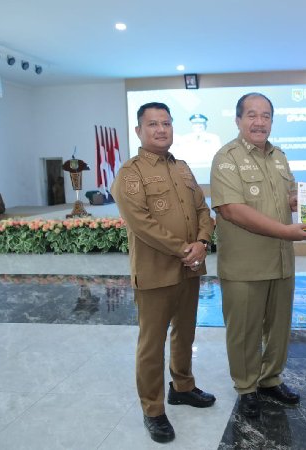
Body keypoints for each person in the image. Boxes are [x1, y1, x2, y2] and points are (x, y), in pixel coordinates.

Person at [112, 102, 216, 443]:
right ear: (139, 131)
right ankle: (153, 409)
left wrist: (202, 242)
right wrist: (184, 249)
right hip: (155, 272)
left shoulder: (183, 168)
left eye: (166, 123)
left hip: (190, 270)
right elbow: (141, 223)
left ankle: (182, 387)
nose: (161, 129)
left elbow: (203, 210)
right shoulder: (131, 173)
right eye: (153, 124)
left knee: (185, 333)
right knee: (151, 344)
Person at [209, 93, 306, 418]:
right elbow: (232, 210)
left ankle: (270, 380)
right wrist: (285, 231)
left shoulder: (279, 156)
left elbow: (289, 196)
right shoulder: (226, 158)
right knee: (244, 332)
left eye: (265, 116)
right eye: (252, 115)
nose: (259, 122)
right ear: (238, 120)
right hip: (245, 265)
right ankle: (246, 387)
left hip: (280, 262)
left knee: (279, 328)